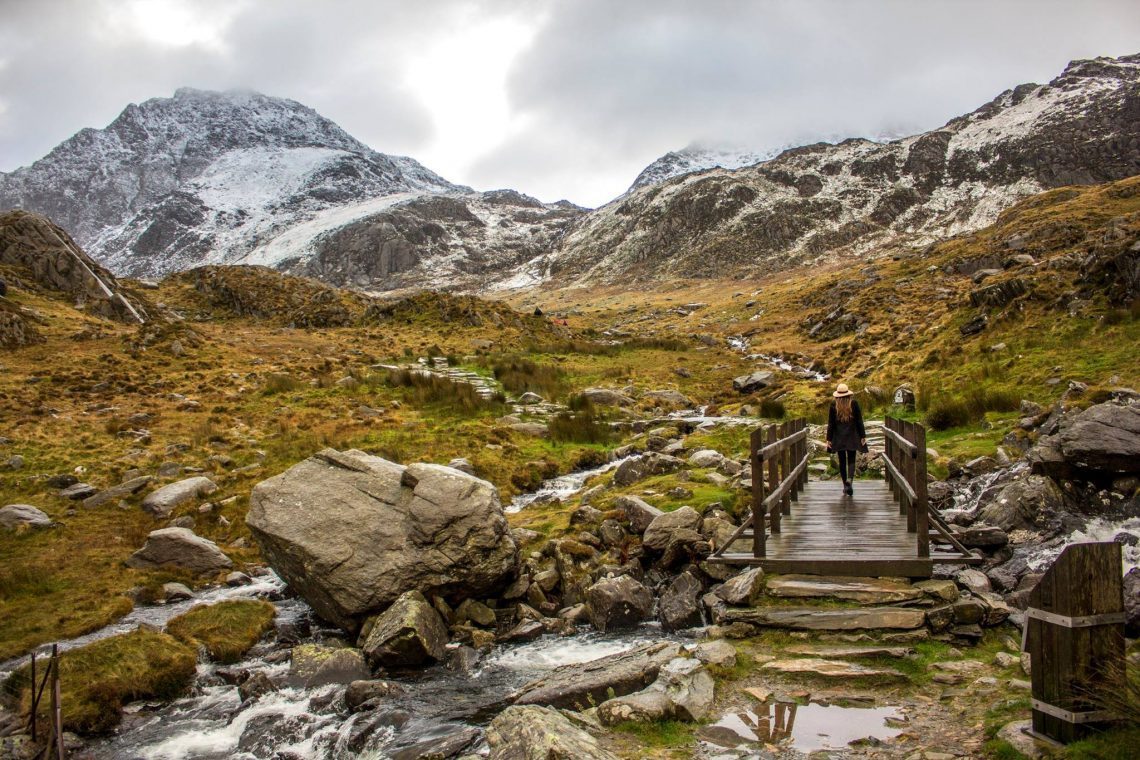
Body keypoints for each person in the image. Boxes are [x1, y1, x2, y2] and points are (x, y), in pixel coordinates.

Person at [826, 383, 866, 496]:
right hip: (852, 435)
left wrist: (829, 439)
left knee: (842, 461)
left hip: (839, 436)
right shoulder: (854, 403)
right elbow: (859, 421)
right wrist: (863, 436)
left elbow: (831, 424)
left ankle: (845, 486)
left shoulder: (834, 404)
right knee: (852, 459)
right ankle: (850, 480)